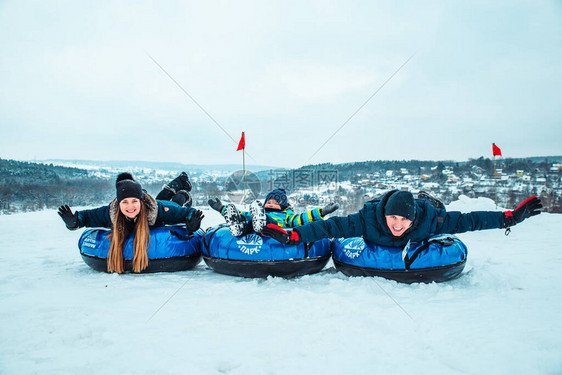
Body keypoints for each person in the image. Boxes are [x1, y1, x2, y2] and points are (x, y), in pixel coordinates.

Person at [262, 189, 543, 247]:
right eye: (392, 218)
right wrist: (294, 236)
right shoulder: (369, 219)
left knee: (431, 203)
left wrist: (509, 218)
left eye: (402, 220)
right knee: (378, 203)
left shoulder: (432, 220)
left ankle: (422, 196)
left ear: (412, 220)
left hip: (425, 206)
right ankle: (391, 199)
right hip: (377, 204)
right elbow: (331, 226)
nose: (397, 224)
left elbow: (471, 220)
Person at [57, 172, 204, 273]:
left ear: (141, 201)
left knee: (172, 204)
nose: (130, 206)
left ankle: (181, 193)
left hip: (159, 207)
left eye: (134, 201)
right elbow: (88, 217)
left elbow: (186, 213)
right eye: (125, 202)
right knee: (154, 199)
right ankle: (177, 184)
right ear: (118, 203)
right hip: (144, 198)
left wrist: (192, 224)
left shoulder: (157, 210)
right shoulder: (111, 212)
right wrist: (73, 222)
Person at [208, 188, 339, 237]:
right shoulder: (257, 211)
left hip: (272, 230)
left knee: (267, 221)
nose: (270, 204)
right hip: (256, 222)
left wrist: (322, 212)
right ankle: (239, 228)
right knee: (246, 219)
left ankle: (262, 223)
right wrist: (221, 208)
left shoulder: (287, 216)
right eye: (269, 202)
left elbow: (302, 218)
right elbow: (240, 213)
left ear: (282, 206)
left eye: (275, 203)